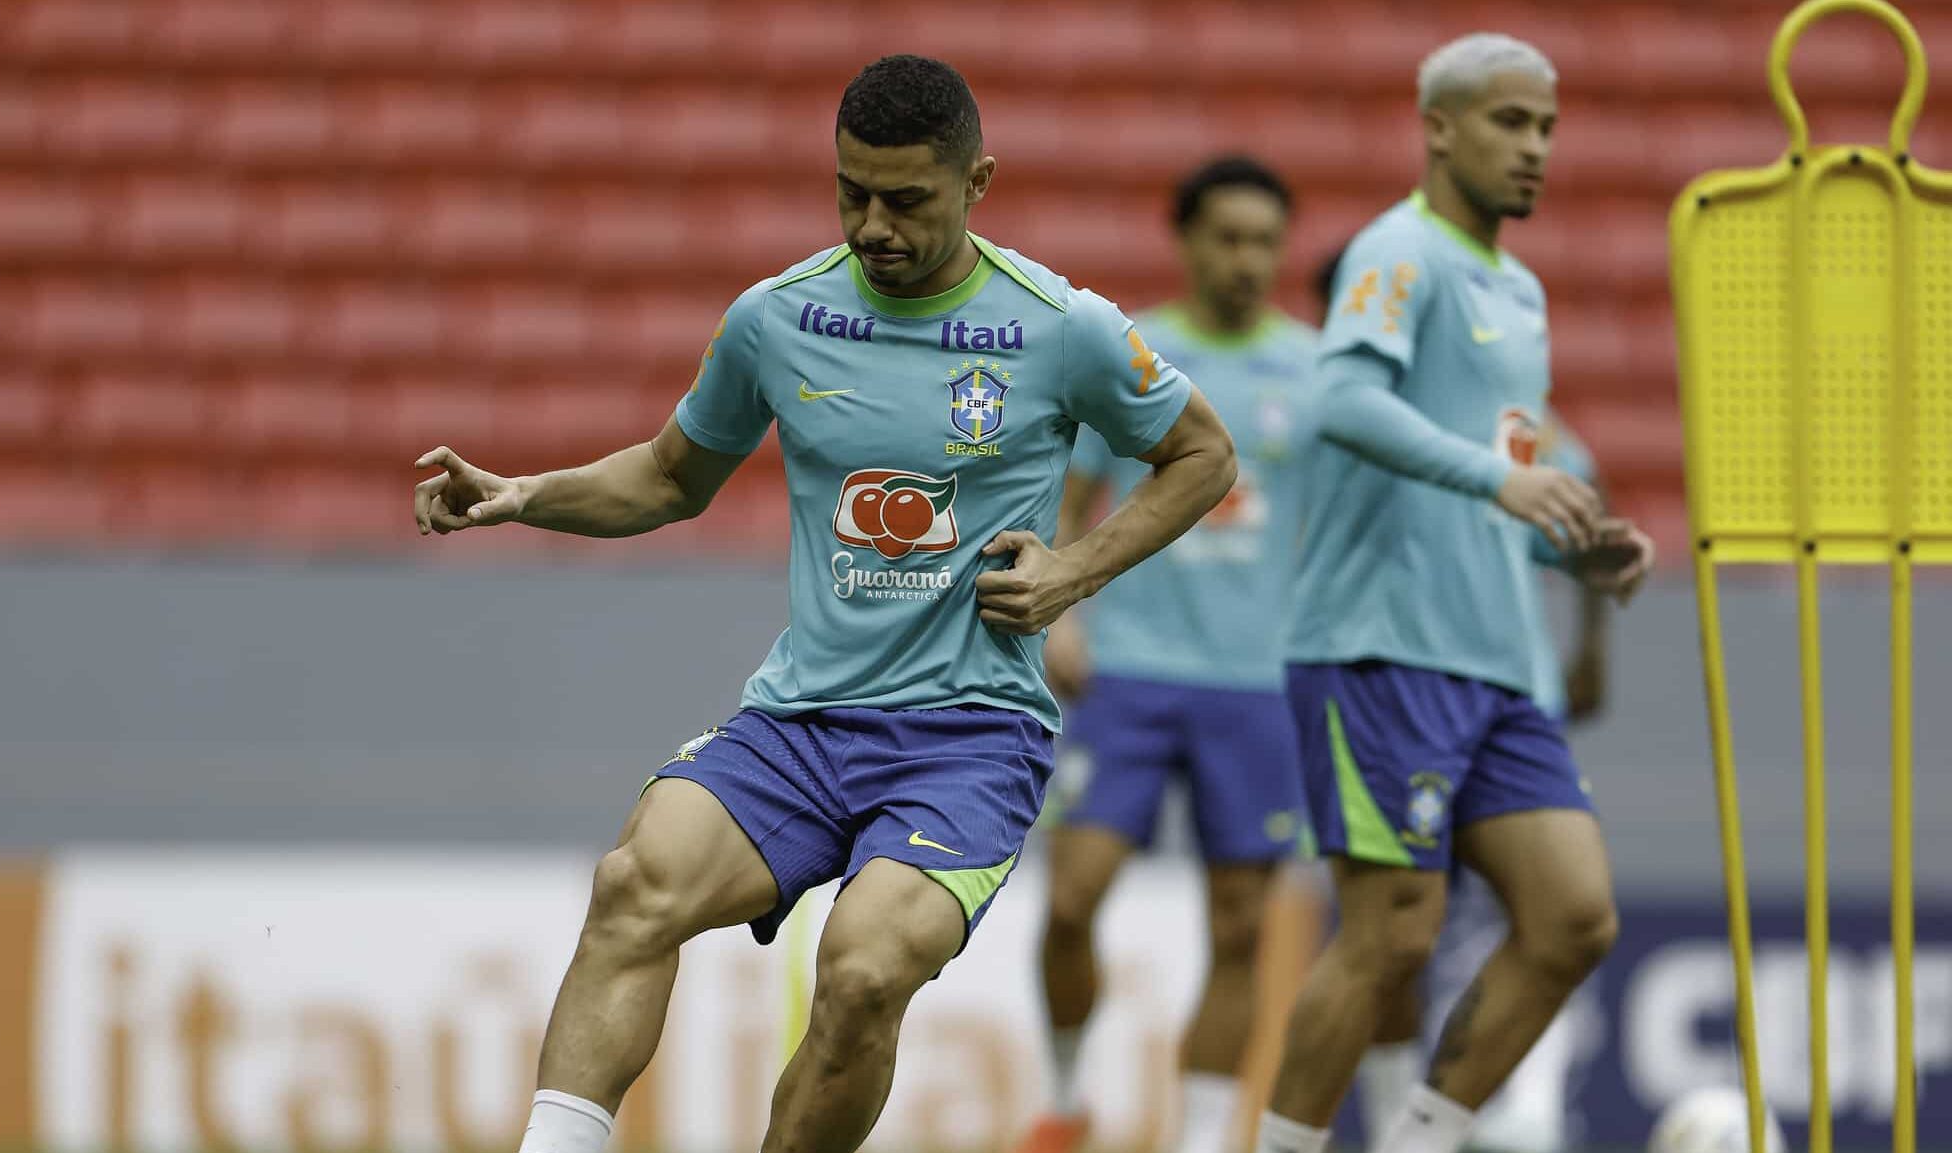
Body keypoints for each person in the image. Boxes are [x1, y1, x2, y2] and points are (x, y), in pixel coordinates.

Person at [411, 54, 1237, 1153]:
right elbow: (668, 478)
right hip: (801, 722)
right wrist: (524, 494)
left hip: (969, 738)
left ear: (977, 181)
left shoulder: (1059, 326)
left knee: (862, 970)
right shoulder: (778, 317)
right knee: (635, 885)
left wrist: (1073, 571)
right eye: (852, 193)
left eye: (906, 200)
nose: (872, 226)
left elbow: (1203, 456)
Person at [1250, 33, 1656, 1153]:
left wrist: (1573, 552)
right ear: (1438, 128)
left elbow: (1495, 472)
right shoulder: (1399, 251)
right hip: (1383, 649)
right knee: (1391, 933)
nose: (1534, 149)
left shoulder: (1517, 289)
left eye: (1545, 128)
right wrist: (1499, 479)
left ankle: (1420, 1138)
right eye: (1508, 122)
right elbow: (1341, 402)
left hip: (1494, 660)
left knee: (1573, 916)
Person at [1018, 156, 1318, 1153]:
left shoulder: (1314, 373)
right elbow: (1069, 498)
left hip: (1258, 683)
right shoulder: (1137, 356)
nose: (1246, 259)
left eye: (1263, 241)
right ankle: (1065, 1099)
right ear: (1186, 240)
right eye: (1226, 237)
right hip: (1129, 673)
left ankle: (1199, 1139)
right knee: (1071, 898)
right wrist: (1061, 616)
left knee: (1240, 926)